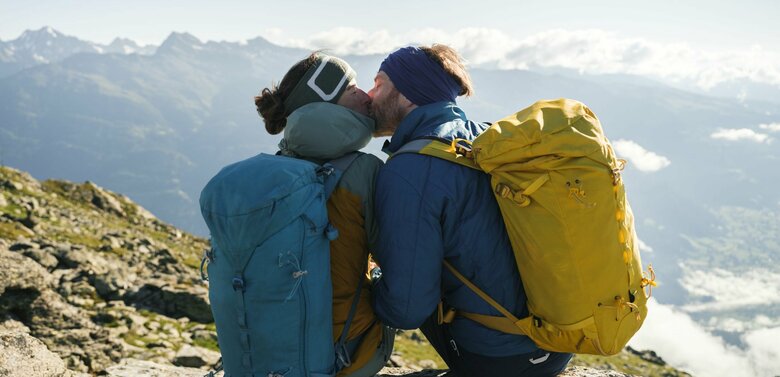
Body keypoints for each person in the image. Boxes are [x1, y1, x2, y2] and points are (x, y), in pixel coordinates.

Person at [368, 45, 573, 376]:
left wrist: (370, 281)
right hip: (557, 344)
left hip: (497, 360)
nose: (370, 95)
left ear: (407, 96)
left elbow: (405, 309)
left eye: (378, 84)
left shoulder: (409, 170)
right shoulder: (490, 140)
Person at [254, 52, 392, 377]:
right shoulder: (365, 172)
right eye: (352, 88)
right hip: (351, 352)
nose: (365, 95)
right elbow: (399, 263)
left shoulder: (275, 171)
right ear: (327, 107)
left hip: (275, 353)